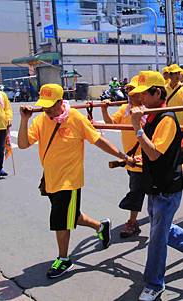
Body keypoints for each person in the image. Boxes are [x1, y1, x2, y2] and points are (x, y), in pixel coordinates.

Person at [18, 84, 129, 279]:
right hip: (51, 178)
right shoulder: (41, 120)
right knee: (72, 215)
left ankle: (64, 259)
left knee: (61, 221)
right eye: (43, 105)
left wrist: (122, 155)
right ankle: (100, 226)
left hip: (69, 181)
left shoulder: (76, 119)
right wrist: (24, 120)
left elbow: (98, 140)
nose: (46, 110)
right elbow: (23, 144)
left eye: (50, 105)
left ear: (60, 102)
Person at [128, 71, 183, 301]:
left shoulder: (166, 119)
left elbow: (153, 152)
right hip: (154, 184)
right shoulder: (150, 115)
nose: (140, 99)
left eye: (144, 95)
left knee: (157, 237)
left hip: (167, 187)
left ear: (157, 93)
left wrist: (137, 129)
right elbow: (149, 153)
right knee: (160, 229)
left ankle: (154, 283)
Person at [101, 75, 145, 238]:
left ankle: (133, 222)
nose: (130, 94)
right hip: (131, 159)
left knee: (137, 191)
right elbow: (111, 123)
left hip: (146, 158)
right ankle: (139, 221)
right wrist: (104, 110)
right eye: (128, 90)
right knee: (137, 190)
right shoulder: (125, 109)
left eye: (134, 91)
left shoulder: (149, 110)